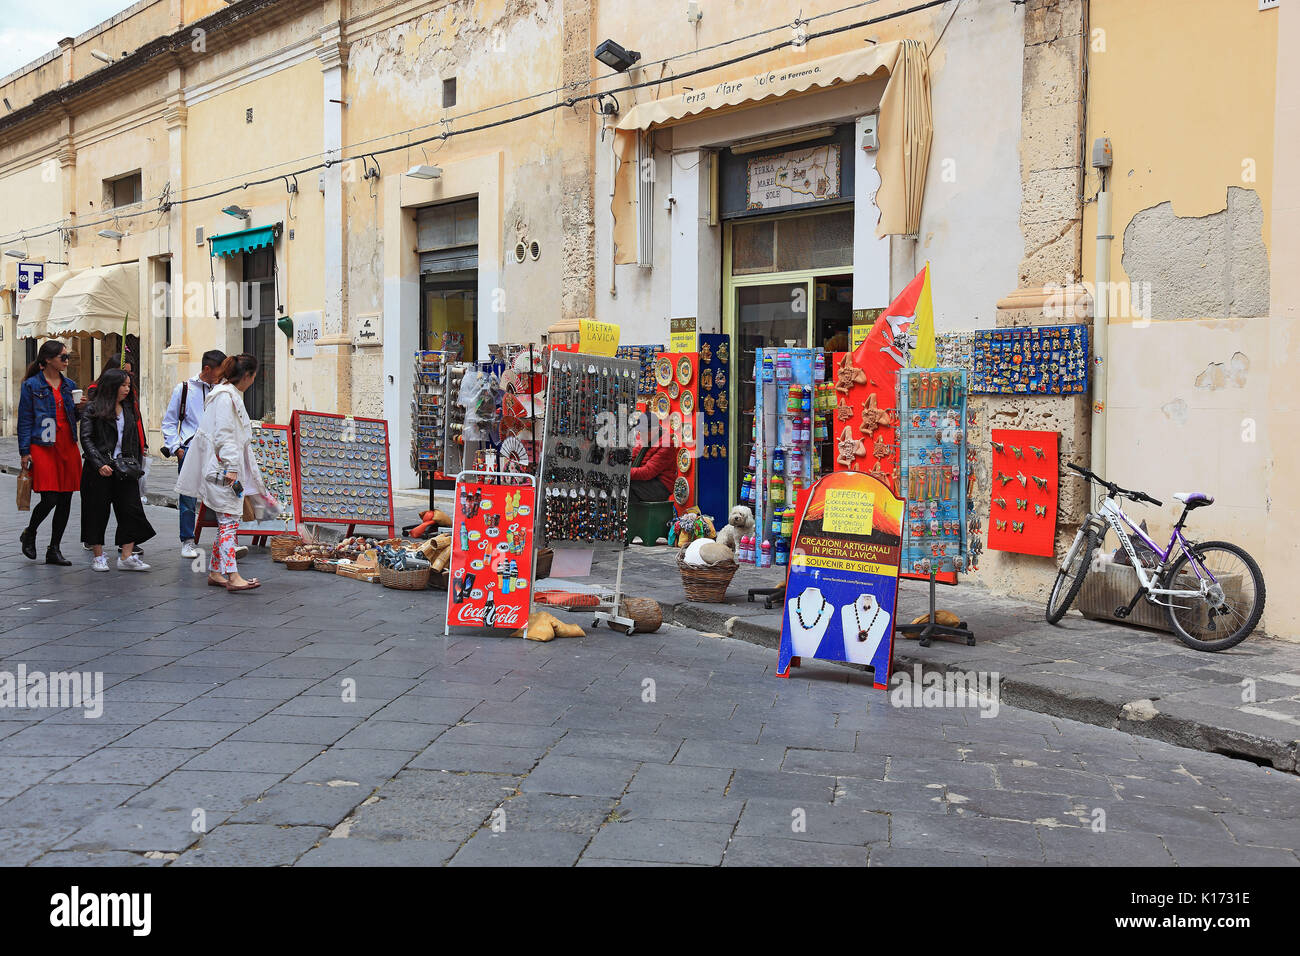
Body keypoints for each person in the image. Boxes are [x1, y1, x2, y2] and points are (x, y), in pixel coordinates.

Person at [175, 353, 274, 592]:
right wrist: (231, 467)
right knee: (229, 522)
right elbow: (225, 435)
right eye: (253, 376)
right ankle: (233, 576)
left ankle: (217, 572)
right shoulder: (226, 398)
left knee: (226, 522)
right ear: (248, 376)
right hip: (223, 471)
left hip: (222, 469)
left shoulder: (225, 395)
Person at [79, 368, 155, 571]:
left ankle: (127, 556)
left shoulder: (128, 409)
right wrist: (98, 463)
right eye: (123, 385)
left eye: (129, 386)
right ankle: (98, 555)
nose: (127, 390)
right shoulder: (93, 408)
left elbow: (132, 439)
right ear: (111, 386)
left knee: (131, 510)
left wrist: (136, 464)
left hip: (125, 469)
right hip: (100, 468)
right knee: (96, 512)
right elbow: (86, 438)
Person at [17, 341, 83, 564]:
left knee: (65, 498)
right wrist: (24, 452)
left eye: (67, 357)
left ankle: (54, 548)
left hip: (67, 444)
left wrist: (81, 409)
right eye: (63, 357)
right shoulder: (31, 386)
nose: (66, 361)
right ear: (48, 359)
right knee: (50, 497)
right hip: (43, 446)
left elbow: (74, 416)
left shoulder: (70, 384)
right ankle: (30, 532)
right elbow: (25, 419)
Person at [161, 349, 226, 558]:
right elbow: (170, 421)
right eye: (220, 371)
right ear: (207, 369)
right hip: (190, 449)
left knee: (223, 494)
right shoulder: (185, 389)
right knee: (188, 497)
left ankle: (224, 538)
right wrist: (177, 449)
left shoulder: (223, 390)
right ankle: (187, 540)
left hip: (217, 451)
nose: (222, 375)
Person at [630, 429, 676, 502]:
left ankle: (633, 512)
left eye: (643, 432)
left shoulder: (666, 444)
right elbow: (632, 457)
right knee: (621, 484)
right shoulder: (643, 437)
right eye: (639, 432)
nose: (640, 435)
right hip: (646, 481)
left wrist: (626, 473)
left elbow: (647, 472)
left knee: (627, 486)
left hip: (660, 487)